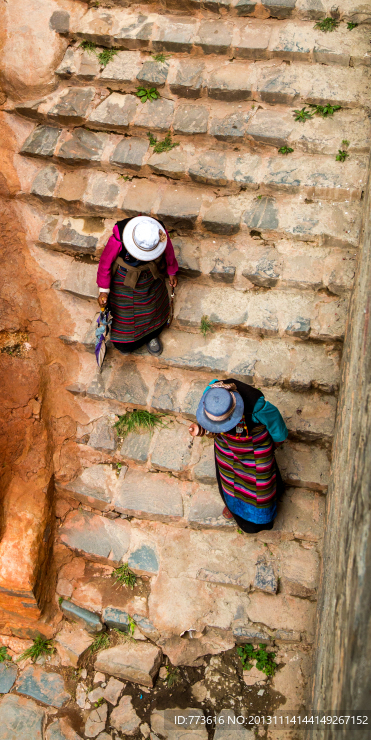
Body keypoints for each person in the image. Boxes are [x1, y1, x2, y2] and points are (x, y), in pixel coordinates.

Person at [188, 379, 288, 533]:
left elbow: (278, 429)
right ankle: (234, 508)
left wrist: (274, 445)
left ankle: (258, 521)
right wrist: (201, 428)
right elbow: (208, 420)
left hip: (255, 451)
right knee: (228, 480)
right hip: (226, 447)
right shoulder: (212, 393)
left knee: (260, 486)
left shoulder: (256, 407)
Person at [97, 215, 178, 355]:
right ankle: (126, 341)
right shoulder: (119, 236)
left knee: (153, 306)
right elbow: (105, 263)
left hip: (150, 278)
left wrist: (172, 271)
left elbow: (169, 251)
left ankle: (152, 333)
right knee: (124, 317)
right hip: (123, 281)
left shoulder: (158, 232)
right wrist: (104, 290)